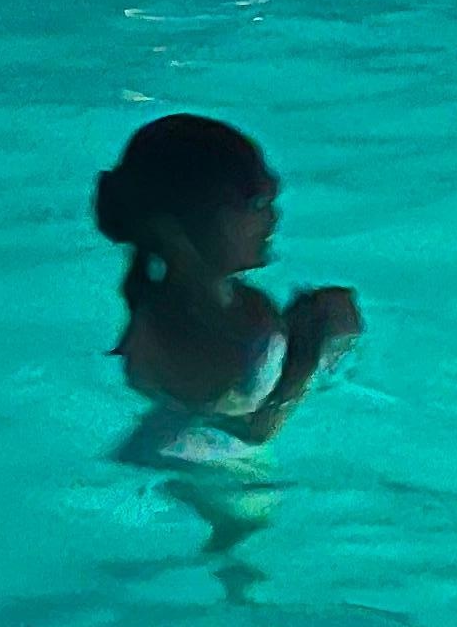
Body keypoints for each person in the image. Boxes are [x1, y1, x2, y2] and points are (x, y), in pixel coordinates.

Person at [92, 113, 362, 466]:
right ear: (180, 229)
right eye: (255, 205)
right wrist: (311, 347)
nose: (272, 218)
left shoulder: (241, 304)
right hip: (182, 475)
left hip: (214, 472)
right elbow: (250, 429)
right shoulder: (171, 330)